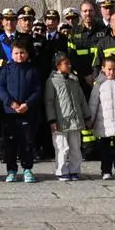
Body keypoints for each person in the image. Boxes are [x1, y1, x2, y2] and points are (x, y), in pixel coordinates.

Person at [0, 37, 43, 183]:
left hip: (27, 112)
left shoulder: (33, 70)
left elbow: (37, 90)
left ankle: (27, 169)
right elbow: (0, 87)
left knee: (27, 142)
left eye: (22, 53)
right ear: (11, 54)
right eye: (16, 53)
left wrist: (27, 104)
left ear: (27, 54)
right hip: (10, 113)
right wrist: (10, 103)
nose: (19, 56)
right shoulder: (6, 69)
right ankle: (11, 170)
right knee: (10, 143)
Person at [43, 50, 87, 182]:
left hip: (75, 119)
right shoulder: (52, 81)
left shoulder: (74, 80)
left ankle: (74, 169)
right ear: (58, 65)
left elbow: (81, 99)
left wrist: (87, 115)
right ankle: (61, 170)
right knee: (62, 147)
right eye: (65, 63)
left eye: (69, 63)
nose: (69, 66)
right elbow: (49, 101)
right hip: (61, 120)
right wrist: (52, 119)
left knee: (75, 146)